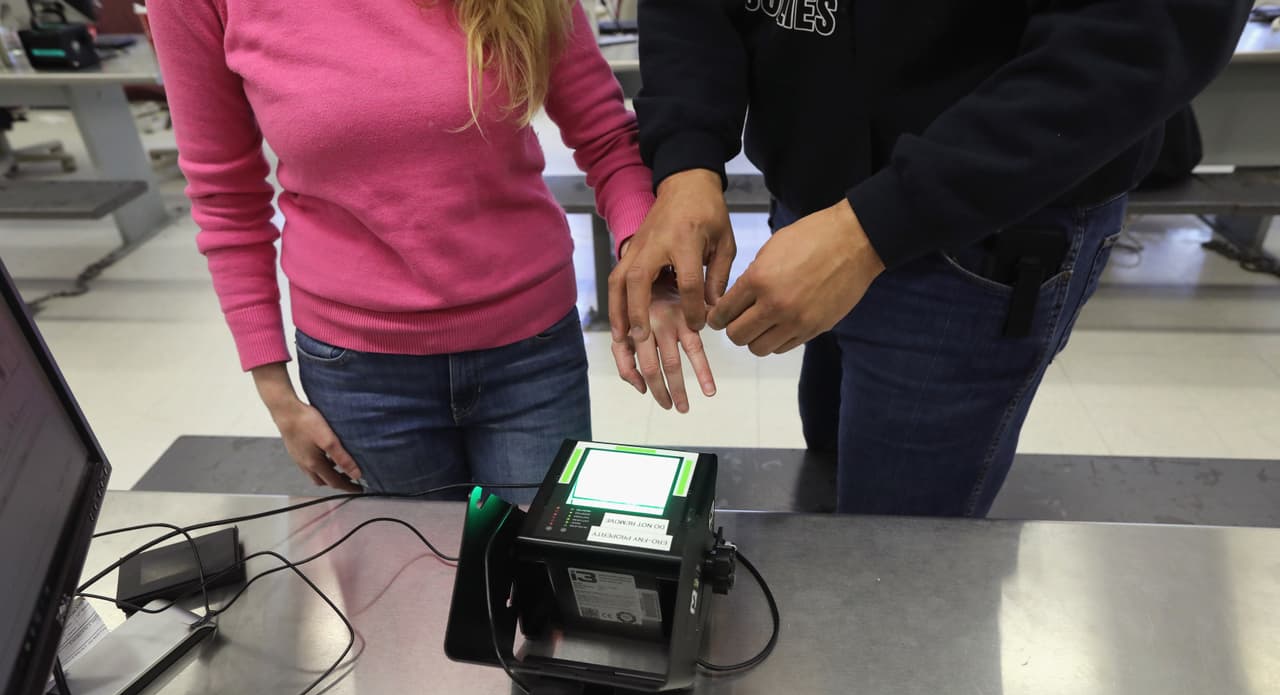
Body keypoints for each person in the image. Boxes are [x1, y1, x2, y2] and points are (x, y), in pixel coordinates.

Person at [612, 0, 1252, 516]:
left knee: (900, 554)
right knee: (835, 465)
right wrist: (687, 163)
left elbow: (1140, 32)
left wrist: (872, 230)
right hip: (810, 187)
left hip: (980, 221)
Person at [148, 0, 715, 501]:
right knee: (409, 593)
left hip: (530, 353)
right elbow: (226, 195)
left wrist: (647, 260)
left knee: (540, 585)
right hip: (360, 373)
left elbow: (607, 138)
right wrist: (275, 391)